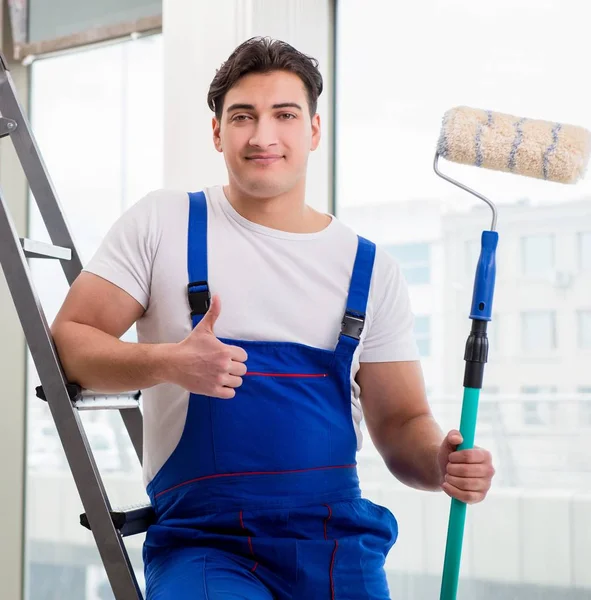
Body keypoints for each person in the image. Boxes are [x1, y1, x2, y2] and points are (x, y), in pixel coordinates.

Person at [51, 37, 495, 600]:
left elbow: (402, 421)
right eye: (243, 117)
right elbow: (70, 343)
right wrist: (167, 363)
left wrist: (440, 461)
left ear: (312, 130)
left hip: (336, 546)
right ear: (217, 132)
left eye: (284, 115)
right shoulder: (163, 224)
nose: (263, 136)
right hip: (205, 547)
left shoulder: (368, 267)